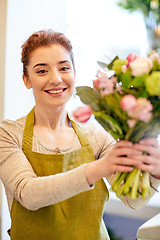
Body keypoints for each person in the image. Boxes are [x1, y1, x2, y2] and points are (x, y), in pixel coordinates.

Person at [0, 29, 160, 240]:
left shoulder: (97, 134)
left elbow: (132, 201)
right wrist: (98, 168)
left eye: (64, 68)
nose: (56, 79)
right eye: (41, 71)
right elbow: (28, 194)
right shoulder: (9, 134)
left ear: (74, 73)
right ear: (26, 79)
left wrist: (154, 175)